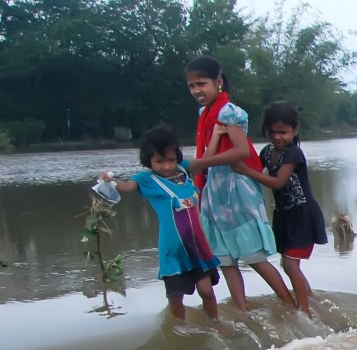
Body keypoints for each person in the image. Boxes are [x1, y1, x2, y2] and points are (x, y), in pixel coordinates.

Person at [183, 55, 295, 311]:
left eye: (202, 84)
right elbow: (207, 154)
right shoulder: (206, 113)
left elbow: (242, 151)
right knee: (225, 260)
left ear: (218, 82)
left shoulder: (228, 112)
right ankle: (242, 310)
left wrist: (201, 164)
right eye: (192, 86)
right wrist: (201, 167)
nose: (197, 91)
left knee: (254, 256)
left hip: (236, 190)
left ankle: (291, 306)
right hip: (215, 192)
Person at [98, 127, 220, 320]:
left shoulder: (183, 170)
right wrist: (110, 182)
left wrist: (217, 134)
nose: (166, 166)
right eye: (159, 161)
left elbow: (207, 159)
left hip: (197, 247)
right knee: (176, 297)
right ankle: (180, 330)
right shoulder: (146, 180)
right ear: (148, 160)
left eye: (171, 160)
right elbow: (126, 187)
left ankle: (215, 324)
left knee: (207, 291)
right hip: (173, 250)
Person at [233, 101, 327, 315]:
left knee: (291, 265)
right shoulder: (267, 152)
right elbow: (255, 171)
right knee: (288, 264)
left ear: (295, 131)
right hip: (284, 214)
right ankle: (310, 301)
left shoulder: (293, 153)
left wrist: (245, 170)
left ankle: (304, 311)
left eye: (283, 132)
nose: (277, 137)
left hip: (302, 213)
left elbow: (278, 183)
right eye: (272, 132)